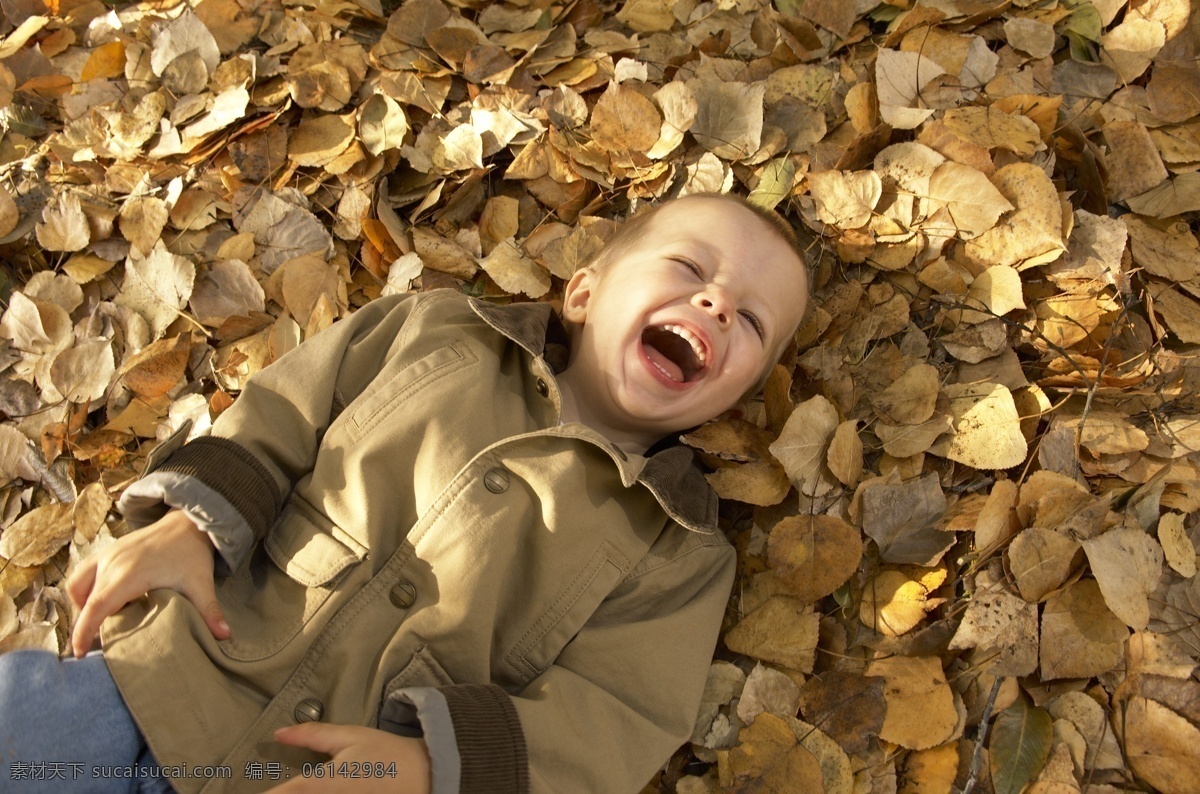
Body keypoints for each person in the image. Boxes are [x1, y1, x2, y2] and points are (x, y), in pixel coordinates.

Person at [0, 192, 809, 793]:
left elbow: (614, 719)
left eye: (750, 320)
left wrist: (430, 764)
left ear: (730, 403)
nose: (715, 302)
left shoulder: (681, 556)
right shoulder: (435, 331)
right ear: (586, 292)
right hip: (160, 684)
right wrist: (188, 523)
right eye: (691, 268)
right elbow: (281, 415)